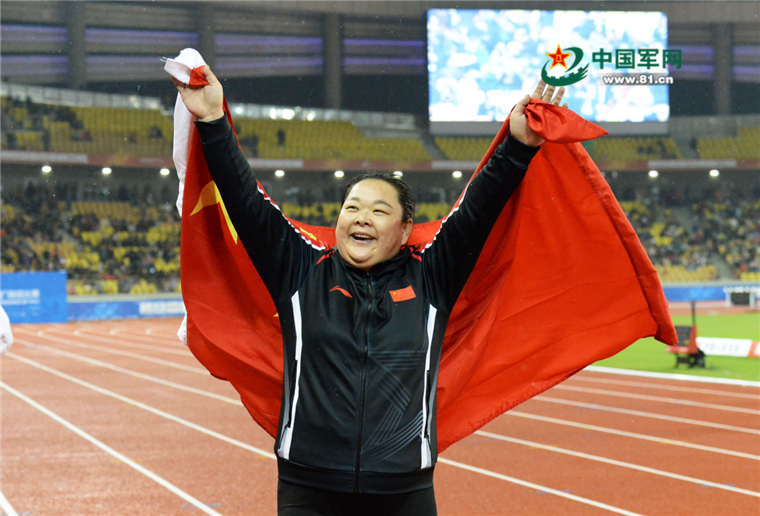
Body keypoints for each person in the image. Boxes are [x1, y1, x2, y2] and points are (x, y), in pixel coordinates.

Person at [173, 67, 567, 516]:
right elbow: (245, 200)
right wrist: (212, 121)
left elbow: (478, 210)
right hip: (308, 488)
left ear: (405, 231)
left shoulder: (432, 277)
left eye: (379, 211)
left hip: (404, 490)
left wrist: (517, 147)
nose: (361, 217)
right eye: (352, 207)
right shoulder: (300, 269)